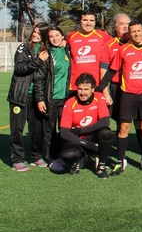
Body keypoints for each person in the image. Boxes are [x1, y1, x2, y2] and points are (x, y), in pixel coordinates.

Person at [98, 21, 142, 175]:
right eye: (133, 32)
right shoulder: (123, 50)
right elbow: (112, 70)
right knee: (123, 128)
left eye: (139, 31)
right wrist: (101, 87)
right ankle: (120, 162)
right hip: (127, 95)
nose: (136, 34)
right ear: (130, 34)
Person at [8, 25, 50, 171]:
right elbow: (19, 68)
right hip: (20, 95)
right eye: (34, 32)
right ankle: (17, 160)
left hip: (37, 96)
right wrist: (38, 61)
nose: (35, 35)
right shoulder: (23, 48)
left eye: (39, 33)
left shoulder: (46, 49)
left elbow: (43, 76)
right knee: (17, 129)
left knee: (37, 129)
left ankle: (35, 157)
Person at [58, 73, 113, 178]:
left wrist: (80, 130)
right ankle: (79, 158)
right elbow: (64, 132)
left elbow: (105, 121)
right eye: (80, 89)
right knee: (68, 155)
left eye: (86, 89)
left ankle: (101, 166)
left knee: (106, 132)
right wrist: (87, 144)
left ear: (93, 89)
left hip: (92, 136)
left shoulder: (99, 97)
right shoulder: (70, 103)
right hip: (78, 140)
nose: (82, 93)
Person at [33, 25, 71, 164]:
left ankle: (62, 155)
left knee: (64, 130)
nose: (54, 38)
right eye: (51, 36)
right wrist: (40, 99)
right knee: (49, 131)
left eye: (57, 35)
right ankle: (49, 157)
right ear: (48, 39)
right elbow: (38, 78)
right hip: (50, 99)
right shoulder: (46, 54)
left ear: (62, 36)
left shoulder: (68, 52)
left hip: (65, 99)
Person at [65, 10, 109, 91]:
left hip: (96, 85)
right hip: (75, 85)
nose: (88, 23)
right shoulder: (71, 36)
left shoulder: (103, 36)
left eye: (91, 20)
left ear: (95, 22)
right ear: (80, 21)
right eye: (85, 20)